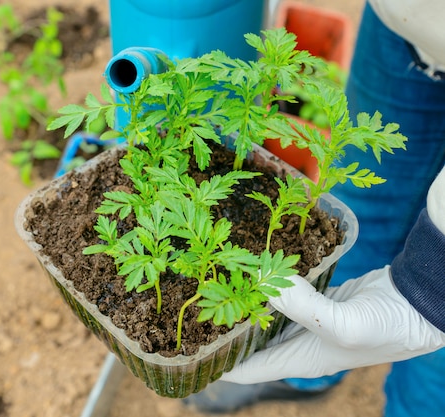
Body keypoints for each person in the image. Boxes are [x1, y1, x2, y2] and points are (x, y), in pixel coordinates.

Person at [184, 1, 445, 416]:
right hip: (407, 20)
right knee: (360, 211)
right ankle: (312, 373)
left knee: (434, 337)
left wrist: (435, 287)